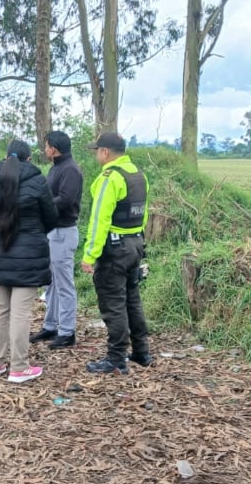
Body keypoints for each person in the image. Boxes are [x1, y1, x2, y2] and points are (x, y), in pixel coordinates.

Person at [0, 140, 58, 383]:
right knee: (21, 312)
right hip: (28, 254)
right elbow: (51, 216)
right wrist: (34, 230)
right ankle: (18, 367)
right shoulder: (37, 181)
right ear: (29, 159)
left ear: (6, 157)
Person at [81, 132, 153, 375]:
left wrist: (90, 254)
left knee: (113, 302)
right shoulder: (138, 174)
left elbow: (99, 219)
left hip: (114, 247)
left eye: (96, 151)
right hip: (135, 243)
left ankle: (116, 358)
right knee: (132, 298)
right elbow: (143, 214)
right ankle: (142, 351)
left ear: (105, 152)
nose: (96, 155)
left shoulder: (109, 178)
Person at [29, 131, 84, 349]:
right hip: (53, 231)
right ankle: (51, 326)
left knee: (64, 284)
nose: (44, 149)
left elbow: (67, 199)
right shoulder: (56, 167)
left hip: (63, 232)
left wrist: (42, 204)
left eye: (46, 145)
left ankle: (67, 331)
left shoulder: (70, 169)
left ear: (54, 148)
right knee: (51, 283)